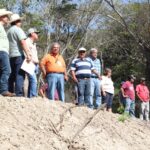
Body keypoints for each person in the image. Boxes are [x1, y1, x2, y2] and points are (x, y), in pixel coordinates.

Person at [8, 14, 31, 96]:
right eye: (19, 21)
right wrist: (28, 54)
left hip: (10, 56)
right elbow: (23, 42)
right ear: (16, 21)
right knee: (20, 75)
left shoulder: (8, 31)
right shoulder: (18, 29)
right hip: (18, 55)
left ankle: (10, 91)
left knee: (12, 75)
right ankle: (19, 94)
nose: (20, 22)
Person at [0, 9, 14, 96]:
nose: (7, 18)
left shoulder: (2, 28)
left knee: (2, 70)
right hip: (1, 51)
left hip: (3, 51)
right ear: (1, 17)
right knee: (7, 70)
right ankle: (3, 90)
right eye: (6, 16)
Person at [25, 28, 40, 98]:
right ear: (32, 34)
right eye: (36, 33)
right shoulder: (27, 41)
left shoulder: (33, 43)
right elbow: (25, 52)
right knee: (34, 80)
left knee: (32, 81)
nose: (37, 34)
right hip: (29, 63)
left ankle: (30, 97)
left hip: (35, 65)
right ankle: (33, 96)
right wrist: (31, 61)